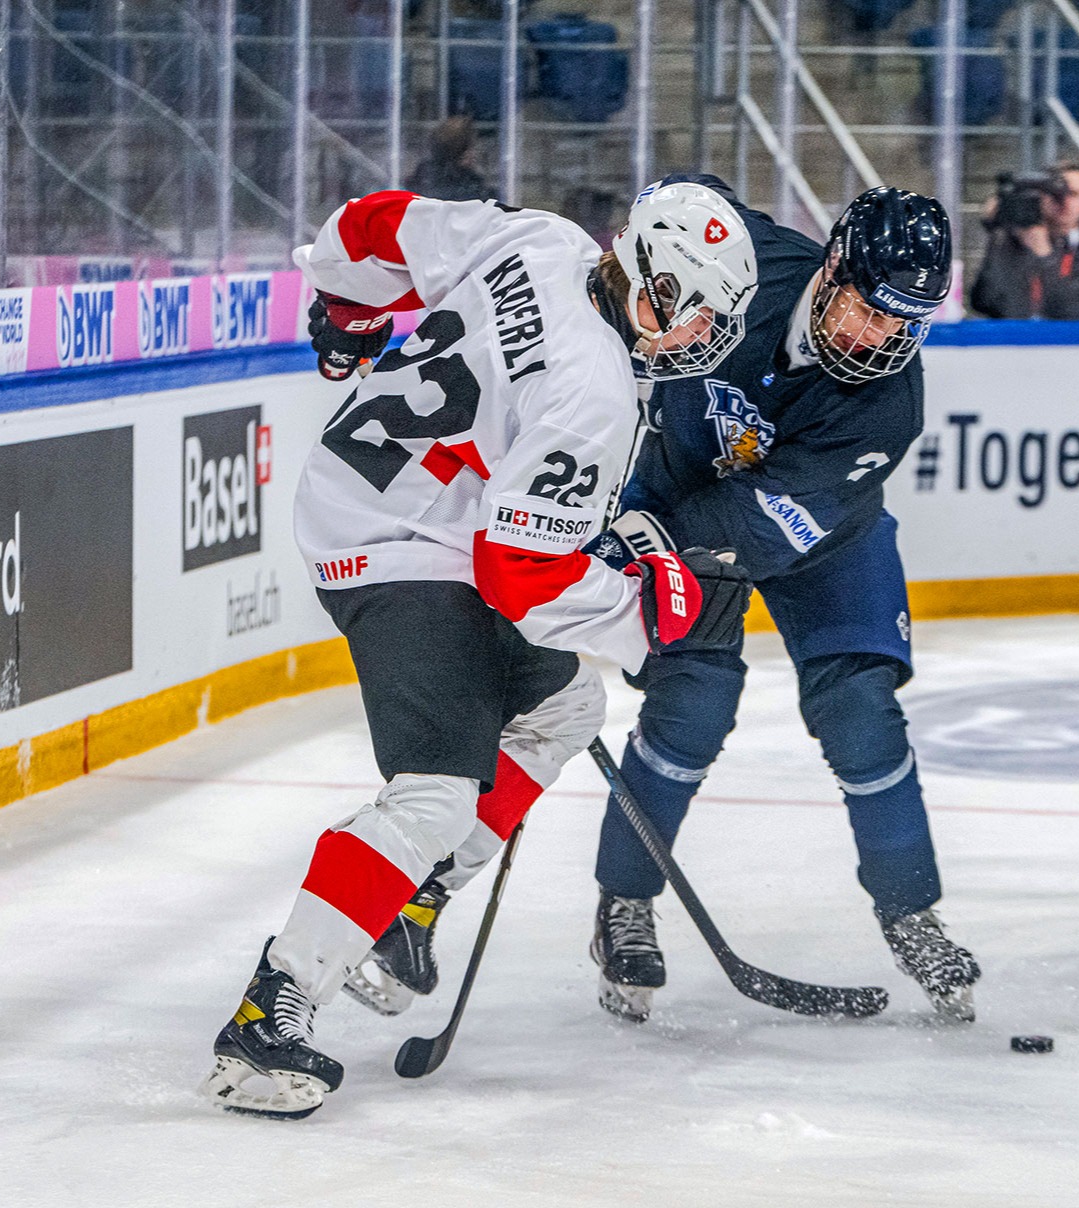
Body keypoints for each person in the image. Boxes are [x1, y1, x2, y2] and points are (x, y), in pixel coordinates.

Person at [363, 178, 983, 1029]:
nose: (881, 339)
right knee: (692, 704)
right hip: (675, 492)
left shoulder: (887, 401)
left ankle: (910, 908)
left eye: (903, 323)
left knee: (861, 710)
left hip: (822, 536)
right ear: (833, 264)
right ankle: (623, 902)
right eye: (870, 310)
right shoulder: (751, 262)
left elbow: (764, 521)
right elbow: (686, 207)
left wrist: (630, 539)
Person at [202, 181, 759, 1120]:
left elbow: (376, 222)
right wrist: (640, 618)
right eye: (695, 310)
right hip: (394, 544)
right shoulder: (596, 390)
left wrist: (341, 297)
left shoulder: (540, 239)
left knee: (564, 707)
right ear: (655, 286)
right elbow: (520, 577)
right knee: (435, 792)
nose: (698, 335)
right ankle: (267, 1021)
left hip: (396, 500)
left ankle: (406, 910)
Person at [968, 161, 1079, 320]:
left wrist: (1044, 254)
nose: (1064, 202)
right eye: (1056, 194)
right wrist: (998, 235)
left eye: (1073, 194)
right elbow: (984, 302)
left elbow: (1070, 312)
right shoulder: (1015, 246)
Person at [405, 115, 492, 203]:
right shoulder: (470, 184)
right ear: (464, 152)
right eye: (473, 146)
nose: (476, 153)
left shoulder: (421, 175)